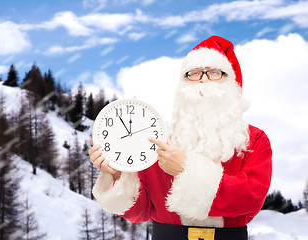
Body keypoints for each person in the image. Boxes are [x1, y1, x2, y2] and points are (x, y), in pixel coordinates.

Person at [88, 36, 272, 240]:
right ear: (183, 83)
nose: (203, 79)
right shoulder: (158, 138)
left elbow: (250, 200)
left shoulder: (255, 140)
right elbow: (140, 211)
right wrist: (116, 174)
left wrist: (186, 169)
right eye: (194, 73)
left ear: (231, 82)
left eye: (214, 72)